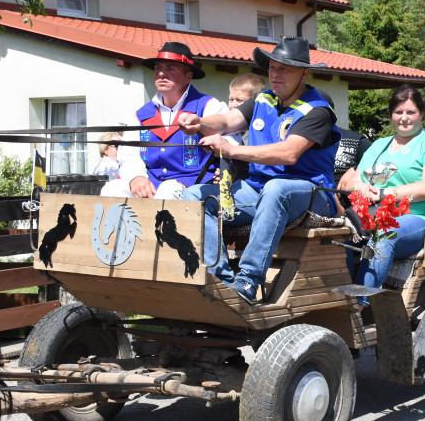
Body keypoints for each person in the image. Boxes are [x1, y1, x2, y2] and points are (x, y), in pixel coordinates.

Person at [179, 37, 340, 304]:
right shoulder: (263, 98)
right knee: (196, 195)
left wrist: (230, 151)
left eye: (284, 69)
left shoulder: (317, 110)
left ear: (305, 73)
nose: (276, 74)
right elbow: (228, 121)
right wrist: (200, 122)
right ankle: (218, 279)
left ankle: (248, 281)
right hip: (259, 191)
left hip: (312, 193)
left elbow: (289, 153)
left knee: (277, 189)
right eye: (272, 67)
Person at [339, 85, 425, 291]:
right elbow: (352, 180)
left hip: (420, 219)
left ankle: (359, 301)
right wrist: (362, 187)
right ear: (391, 115)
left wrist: (384, 194)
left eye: (411, 112)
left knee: (385, 232)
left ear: (421, 114)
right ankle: (340, 293)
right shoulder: (378, 145)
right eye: (398, 112)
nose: (404, 118)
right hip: (373, 216)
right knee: (338, 233)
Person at [101, 41, 228, 199]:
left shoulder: (210, 107)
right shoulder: (141, 115)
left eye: (170, 69)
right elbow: (129, 154)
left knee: (168, 191)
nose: (161, 74)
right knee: (111, 190)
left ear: (188, 76)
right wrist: (136, 177)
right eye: (158, 69)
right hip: (152, 182)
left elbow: (230, 145)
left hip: (196, 184)